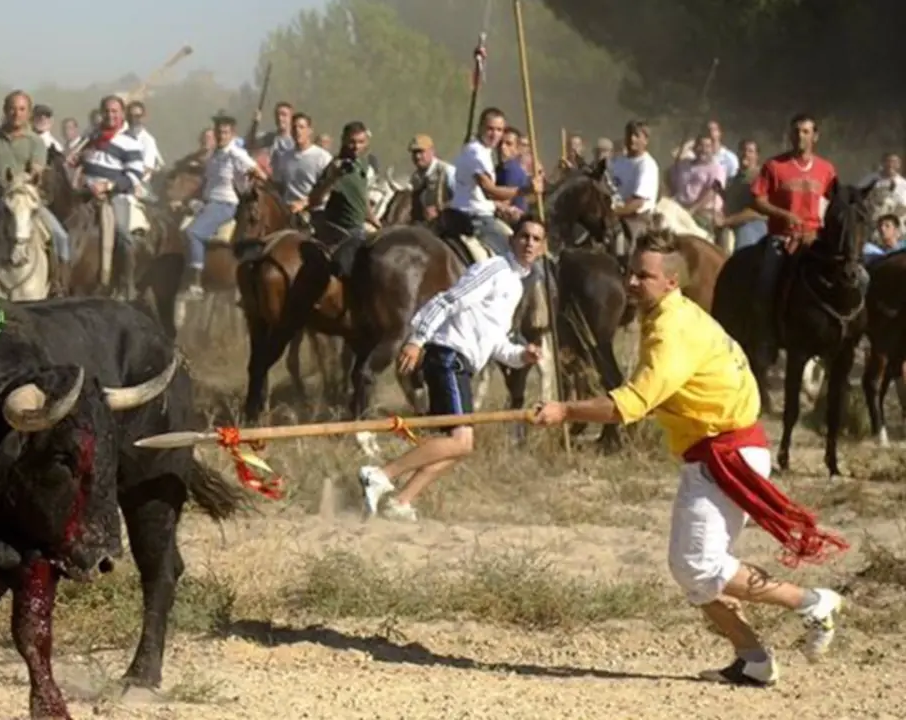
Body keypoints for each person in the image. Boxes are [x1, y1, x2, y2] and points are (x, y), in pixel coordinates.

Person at [532, 229, 847, 687]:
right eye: (630, 272)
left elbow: (630, 405)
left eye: (644, 276)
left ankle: (812, 602)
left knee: (697, 566)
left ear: (671, 281)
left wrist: (565, 410)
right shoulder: (669, 315)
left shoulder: (672, 332)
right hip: (716, 451)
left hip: (726, 454)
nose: (632, 282)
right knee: (695, 572)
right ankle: (754, 659)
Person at [356, 217, 547, 521]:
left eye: (536, 239)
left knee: (459, 446)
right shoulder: (495, 269)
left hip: (462, 363)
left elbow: (496, 342)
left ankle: (401, 502)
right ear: (512, 240)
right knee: (460, 440)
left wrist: (522, 356)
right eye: (524, 236)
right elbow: (448, 300)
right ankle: (381, 475)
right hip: (449, 357)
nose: (529, 243)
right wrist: (417, 339)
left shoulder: (515, 286)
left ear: (543, 248)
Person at [0, 90, 71, 295]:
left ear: (28, 113)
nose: (16, 113)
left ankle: (58, 286)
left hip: (27, 202)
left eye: (21, 109)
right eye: (12, 109)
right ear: (5, 110)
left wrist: (25, 184)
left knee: (60, 237)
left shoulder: (35, 141)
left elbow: (36, 170)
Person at [750, 113, 837, 357]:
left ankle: (844, 336)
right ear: (790, 135)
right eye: (796, 131)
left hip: (816, 239)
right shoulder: (774, 166)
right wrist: (783, 214)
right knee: (766, 283)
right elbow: (758, 200)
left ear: (815, 136)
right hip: (783, 237)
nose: (800, 136)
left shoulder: (826, 169)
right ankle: (765, 336)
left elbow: (836, 203)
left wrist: (822, 230)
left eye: (806, 131)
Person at [182, 113, 266, 299]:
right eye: (219, 132)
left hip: (224, 204)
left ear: (232, 134)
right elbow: (206, 182)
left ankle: (196, 283)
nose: (221, 136)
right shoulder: (214, 154)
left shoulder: (236, 153)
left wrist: (249, 184)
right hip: (207, 202)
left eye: (225, 132)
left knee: (193, 232)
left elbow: (259, 173)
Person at [443, 107, 541, 255]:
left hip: (477, 213)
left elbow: (478, 195)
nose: (495, 134)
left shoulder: (482, 151)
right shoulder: (476, 153)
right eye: (490, 129)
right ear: (480, 128)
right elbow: (490, 192)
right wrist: (525, 190)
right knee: (516, 254)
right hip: (475, 219)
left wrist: (500, 206)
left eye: (499, 130)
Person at [73, 94, 146, 293]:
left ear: (122, 114)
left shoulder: (130, 142)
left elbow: (134, 176)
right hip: (85, 193)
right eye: (106, 111)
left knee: (122, 235)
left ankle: (126, 284)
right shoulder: (93, 137)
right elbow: (85, 160)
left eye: (114, 111)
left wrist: (108, 186)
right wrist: (77, 159)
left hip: (115, 197)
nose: (110, 115)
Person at [308, 120, 377, 277]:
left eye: (361, 142)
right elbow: (314, 200)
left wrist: (374, 219)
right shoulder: (335, 166)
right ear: (344, 141)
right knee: (345, 272)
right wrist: (332, 178)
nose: (356, 147)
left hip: (360, 227)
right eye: (352, 142)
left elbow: (362, 195)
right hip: (340, 232)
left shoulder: (363, 164)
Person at [610, 119, 661, 255]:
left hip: (637, 219)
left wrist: (613, 212)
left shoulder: (646, 165)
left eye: (637, 135)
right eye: (629, 134)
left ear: (646, 140)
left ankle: (624, 264)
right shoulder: (618, 162)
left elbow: (637, 203)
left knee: (619, 241)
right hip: (615, 214)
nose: (632, 139)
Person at [670, 133, 727, 234]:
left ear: (713, 149)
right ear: (694, 148)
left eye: (707, 146)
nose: (703, 149)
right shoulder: (683, 164)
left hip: (703, 212)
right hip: (679, 208)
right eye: (700, 145)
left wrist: (693, 210)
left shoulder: (717, 168)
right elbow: (669, 178)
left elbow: (712, 191)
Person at [717, 139, 767, 253]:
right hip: (732, 225)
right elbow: (734, 202)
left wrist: (726, 221)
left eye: (750, 151)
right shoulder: (734, 179)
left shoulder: (760, 177)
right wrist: (721, 192)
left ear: (757, 156)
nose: (745, 154)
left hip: (753, 225)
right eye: (743, 150)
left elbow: (756, 210)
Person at [278, 112, 332, 215]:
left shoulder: (322, 157)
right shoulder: (285, 157)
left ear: (310, 131)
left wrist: (305, 203)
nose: (297, 131)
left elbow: (328, 190)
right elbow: (280, 186)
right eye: (294, 127)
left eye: (301, 127)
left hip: (314, 212)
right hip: (288, 210)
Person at [408, 134, 454, 224]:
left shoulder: (446, 171)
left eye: (421, 152)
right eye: (414, 153)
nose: (417, 156)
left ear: (432, 151)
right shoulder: (415, 177)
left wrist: (440, 208)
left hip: (447, 224)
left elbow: (462, 199)